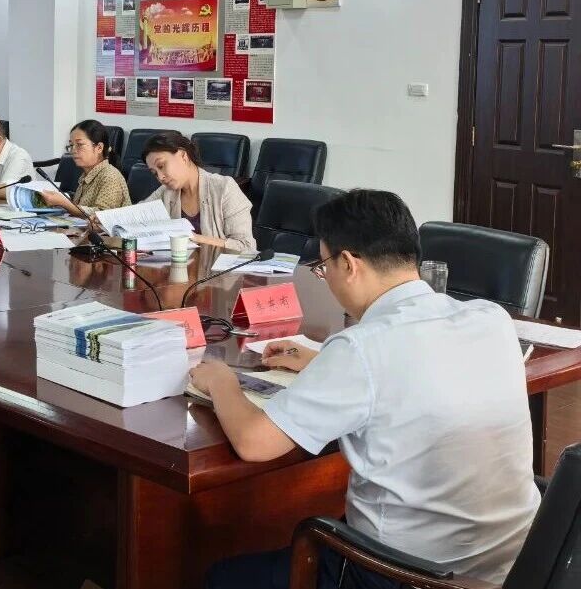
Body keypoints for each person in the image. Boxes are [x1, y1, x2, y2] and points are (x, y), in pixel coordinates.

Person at [190, 190, 540, 589]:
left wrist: (222, 381)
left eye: (323, 267)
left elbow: (255, 443)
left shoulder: (361, 348)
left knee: (221, 577)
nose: (325, 278)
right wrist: (323, 364)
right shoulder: (490, 318)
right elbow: (422, 372)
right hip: (514, 566)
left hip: (408, 575)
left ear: (349, 264)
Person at [141, 132, 255, 252]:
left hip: (218, 264)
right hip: (178, 263)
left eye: (161, 166)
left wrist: (194, 238)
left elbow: (246, 246)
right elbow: (136, 217)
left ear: (183, 156)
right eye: (154, 173)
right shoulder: (165, 192)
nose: (160, 177)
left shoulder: (224, 188)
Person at [39, 120, 130, 216]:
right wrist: (59, 204)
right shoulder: (86, 175)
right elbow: (80, 210)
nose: (73, 150)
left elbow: (101, 216)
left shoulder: (110, 176)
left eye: (79, 145)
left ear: (99, 148)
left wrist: (64, 203)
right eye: (71, 145)